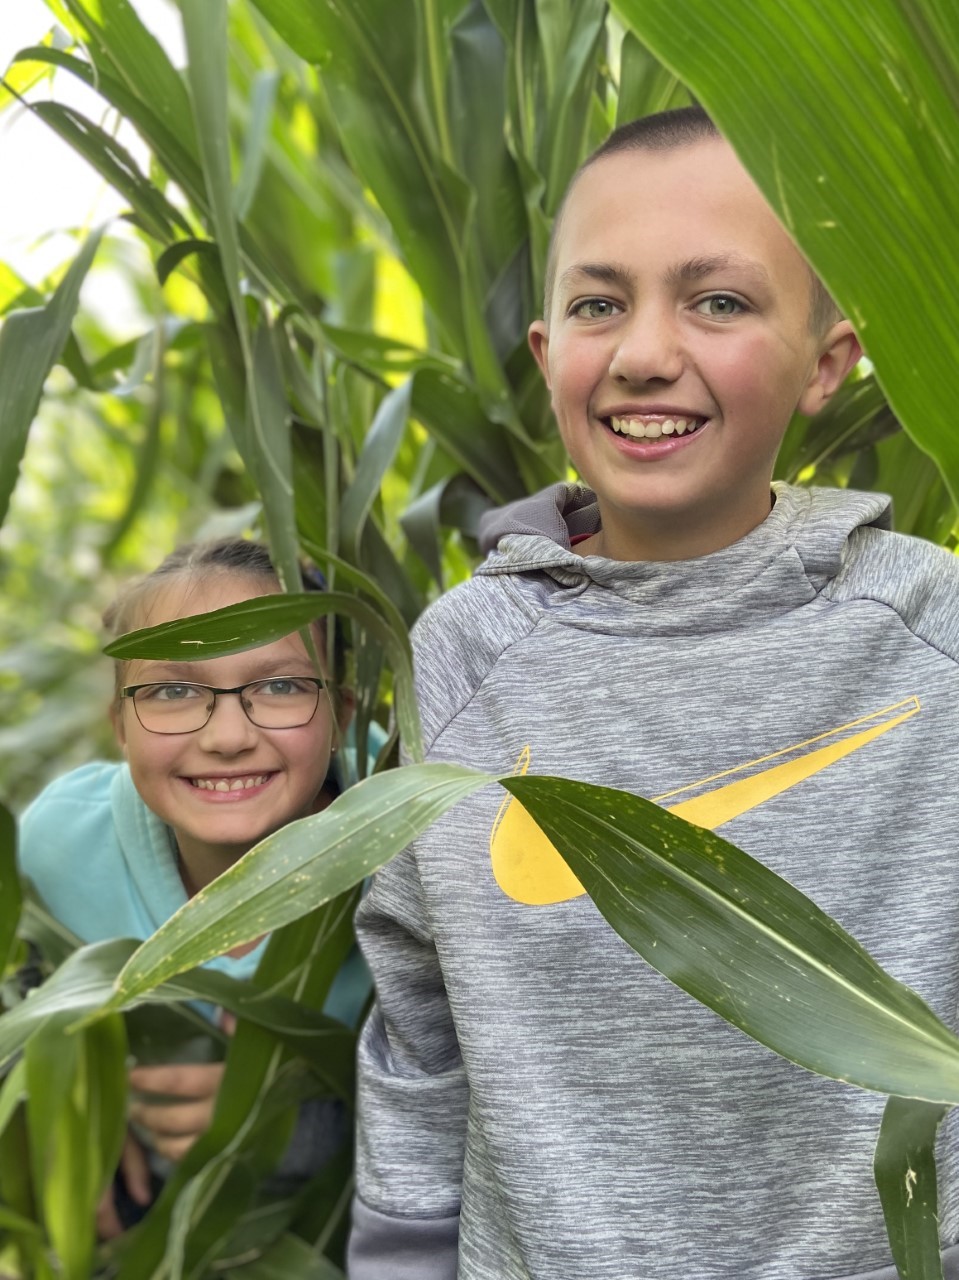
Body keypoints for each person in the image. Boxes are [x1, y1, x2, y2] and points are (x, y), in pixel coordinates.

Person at [347, 107, 959, 1279]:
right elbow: (417, 1027)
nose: (640, 352)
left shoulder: (931, 631)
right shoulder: (466, 653)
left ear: (827, 360)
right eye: (597, 303)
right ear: (543, 356)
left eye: (716, 301)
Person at [18, 538, 360, 1238]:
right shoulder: (59, 848)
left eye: (280, 685)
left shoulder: (411, 861)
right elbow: (19, 999)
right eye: (173, 691)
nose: (228, 736)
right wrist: (68, 1103)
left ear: (344, 717)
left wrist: (283, 1124)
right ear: (119, 726)